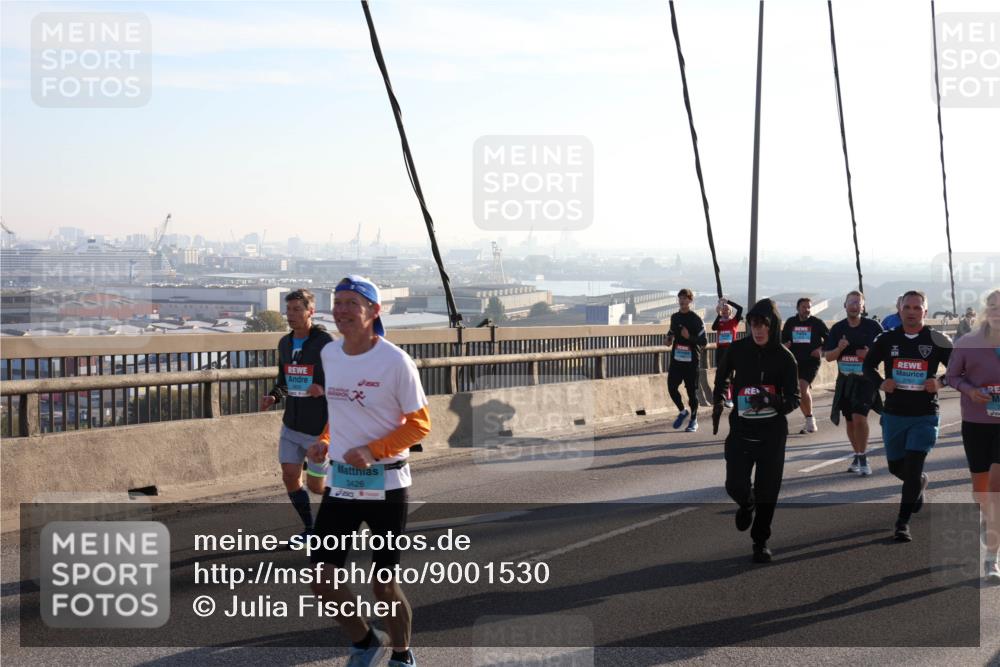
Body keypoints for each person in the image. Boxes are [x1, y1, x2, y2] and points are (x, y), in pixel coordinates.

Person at [308, 275, 430, 667]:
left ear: (374, 312)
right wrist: (326, 440)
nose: (341, 310)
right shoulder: (330, 354)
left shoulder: (395, 361)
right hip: (342, 482)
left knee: (383, 584)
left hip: (386, 483)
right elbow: (339, 409)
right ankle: (364, 641)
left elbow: (420, 424)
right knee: (323, 580)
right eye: (337, 301)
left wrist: (373, 450)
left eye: (351, 303)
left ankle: (402, 653)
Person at [713, 299, 800, 563]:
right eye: (753, 325)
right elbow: (723, 377)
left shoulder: (786, 358)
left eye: (763, 325)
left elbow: (793, 399)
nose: (758, 330)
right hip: (741, 431)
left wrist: (771, 401)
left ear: (773, 326)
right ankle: (745, 503)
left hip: (772, 436)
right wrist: (719, 399)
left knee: (768, 491)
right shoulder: (738, 349)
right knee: (734, 485)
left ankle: (760, 541)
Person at [864, 290, 952, 543]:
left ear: (925, 311)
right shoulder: (887, 338)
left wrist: (941, 382)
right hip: (894, 413)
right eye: (907, 307)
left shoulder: (937, 339)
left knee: (912, 468)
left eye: (917, 307)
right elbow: (867, 366)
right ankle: (918, 484)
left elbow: (959, 369)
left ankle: (902, 523)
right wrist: (881, 383)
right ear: (899, 309)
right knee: (896, 467)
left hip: (924, 414)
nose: (912, 312)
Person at [261, 289, 332, 537]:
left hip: (318, 430)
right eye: (288, 309)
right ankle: (311, 528)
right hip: (291, 425)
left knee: (317, 486)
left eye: (296, 309)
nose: (290, 315)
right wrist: (274, 396)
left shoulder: (325, 343)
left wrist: (323, 388)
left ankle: (349, 505)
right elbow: (284, 381)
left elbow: (344, 380)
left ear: (310, 312)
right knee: (290, 475)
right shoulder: (285, 343)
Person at [945, 289, 1000, 581]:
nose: (997, 311)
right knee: (982, 491)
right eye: (992, 306)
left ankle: (992, 559)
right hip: (977, 422)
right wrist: (971, 391)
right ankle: (987, 516)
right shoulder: (969, 342)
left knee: (996, 488)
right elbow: (952, 377)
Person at [824, 290, 883, 476]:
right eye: (851, 302)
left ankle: (863, 458)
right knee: (850, 421)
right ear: (845, 306)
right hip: (845, 380)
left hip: (866, 380)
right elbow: (828, 358)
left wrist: (869, 355)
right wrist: (839, 348)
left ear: (863, 306)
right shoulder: (837, 329)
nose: (854, 305)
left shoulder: (874, 327)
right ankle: (857, 454)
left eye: (858, 302)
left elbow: (884, 353)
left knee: (860, 418)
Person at [781, 297, 830, 434]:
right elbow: (783, 338)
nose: (807, 310)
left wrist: (820, 349)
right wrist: (785, 344)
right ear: (798, 308)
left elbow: (829, 338)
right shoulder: (791, 322)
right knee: (798, 392)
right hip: (793, 361)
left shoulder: (817, 323)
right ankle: (808, 419)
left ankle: (810, 419)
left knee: (802, 387)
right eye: (804, 307)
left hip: (811, 361)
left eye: (809, 307)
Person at [667, 288, 708, 432]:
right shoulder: (674, 317)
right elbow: (671, 332)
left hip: (691, 362)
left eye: (685, 298)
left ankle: (694, 420)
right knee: (671, 387)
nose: (682, 300)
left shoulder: (696, 319)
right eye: (680, 298)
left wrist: (689, 337)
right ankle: (683, 411)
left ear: (690, 300)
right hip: (676, 361)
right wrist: (668, 339)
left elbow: (704, 341)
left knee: (692, 393)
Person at [712, 297, 743, 409]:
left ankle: (730, 397)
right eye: (723, 310)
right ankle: (719, 396)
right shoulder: (719, 322)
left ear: (730, 312)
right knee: (720, 373)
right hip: (720, 350)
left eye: (727, 310)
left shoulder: (734, 321)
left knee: (730, 375)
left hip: (731, 351)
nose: (725, 312)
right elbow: (713, 327)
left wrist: (728, 302)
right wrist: (719, 314)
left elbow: (740, 309)